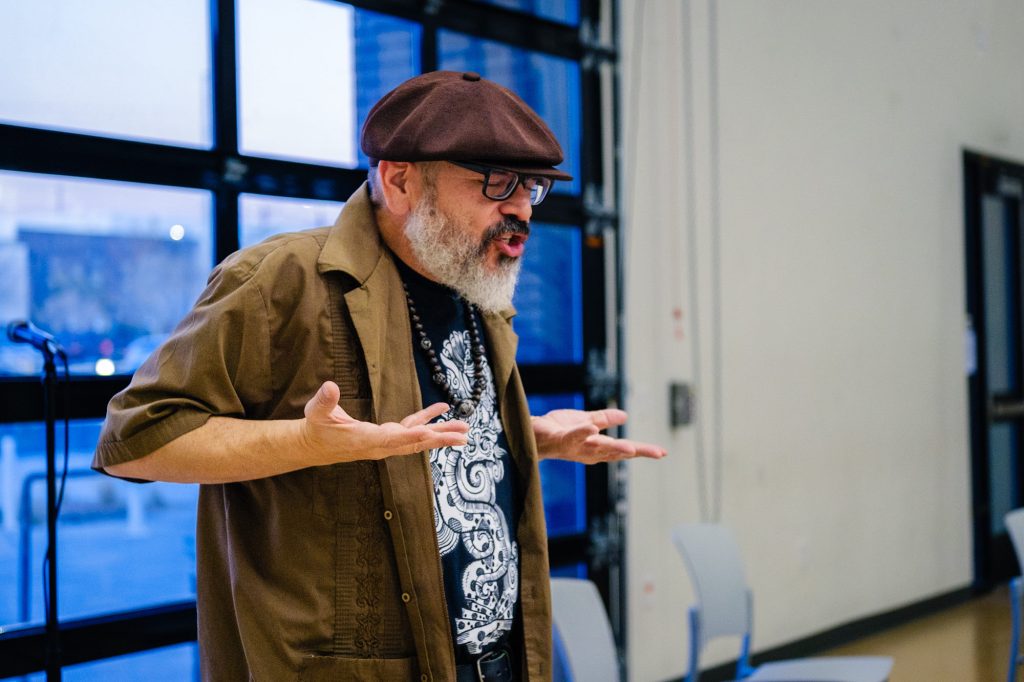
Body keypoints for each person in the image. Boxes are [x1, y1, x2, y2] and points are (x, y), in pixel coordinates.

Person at [93, 70, 665, 682]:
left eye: (531, 188)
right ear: (399, 181)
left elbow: (427, 436)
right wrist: (305, 443)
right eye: (497, 184)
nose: (521, 210)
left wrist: (524, 436)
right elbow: (134, 441)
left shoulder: (476, 286)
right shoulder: (282, 279)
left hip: (497, 662)